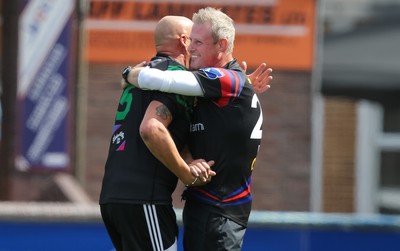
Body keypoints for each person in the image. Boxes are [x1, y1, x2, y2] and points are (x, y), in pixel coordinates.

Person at [122, 7, 273, 251]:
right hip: (211, 210)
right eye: (190, 40)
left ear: (222, 45)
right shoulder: (230, 83)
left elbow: (165, 80)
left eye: (199, 42)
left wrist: (129, 73)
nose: (190, 47)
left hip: (219, 211)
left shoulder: (226, 79)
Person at [99, 16, 215, 251]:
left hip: (113, 198)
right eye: (193, 40)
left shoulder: (141, 75)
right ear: (184, 40)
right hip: (144, 199)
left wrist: (188, 158)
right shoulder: (177, 79)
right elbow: (152, 129)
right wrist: (186, 174)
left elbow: (170, 129)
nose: (194, 46)